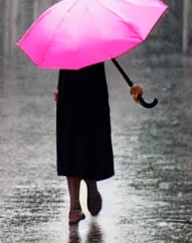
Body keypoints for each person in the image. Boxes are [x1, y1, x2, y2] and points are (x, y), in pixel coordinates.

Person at [54, 62, 143, 225]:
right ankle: (77, 200)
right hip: (88, 86)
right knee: (79, 140)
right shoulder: (95, 42)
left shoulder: (67, 41)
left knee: (72, 141)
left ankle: (81, 191)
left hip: (75, 85)